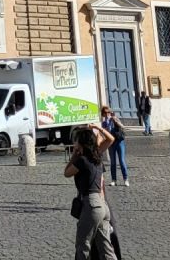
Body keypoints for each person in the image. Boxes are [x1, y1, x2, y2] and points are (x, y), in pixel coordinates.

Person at [65, 123, 119, 260]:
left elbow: (67, 172)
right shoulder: (97, 159)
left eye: (77, 141)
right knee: (106, 247)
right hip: (102, 205)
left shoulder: (82, 160)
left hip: (91, 204)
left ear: (81, 144)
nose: (75, 143)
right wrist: (98, 129)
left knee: (83, 245)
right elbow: (109, 140)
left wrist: (74, 155)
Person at [99, 106, 129, 187]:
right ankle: (114, 180)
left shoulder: (115, 118)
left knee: (122, 161)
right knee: (113, 162)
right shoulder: (104, 122)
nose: (107, 114)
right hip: (111, 143)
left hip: (119, 141)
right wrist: (108, 124)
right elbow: (105, 133)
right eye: (105, 113)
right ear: (103, 114)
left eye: (108, 112)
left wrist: (115, 121)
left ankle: (126, 179)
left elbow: (123, 127)